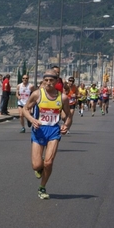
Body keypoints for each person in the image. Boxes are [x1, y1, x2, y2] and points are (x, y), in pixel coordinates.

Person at [22, 69, 72, 200]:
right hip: (39, 131)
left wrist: (66, 126)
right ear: (43, 81)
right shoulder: (37, 94)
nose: (48, 83)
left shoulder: (63, 98)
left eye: (51, 80)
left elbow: (68, 116)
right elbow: (25, 109)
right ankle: (39, 168)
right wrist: (32, 119)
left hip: (53, 131)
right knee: (37, 165)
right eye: (46, 80)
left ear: (56, 81)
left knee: (48, 163)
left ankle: (42, 187)